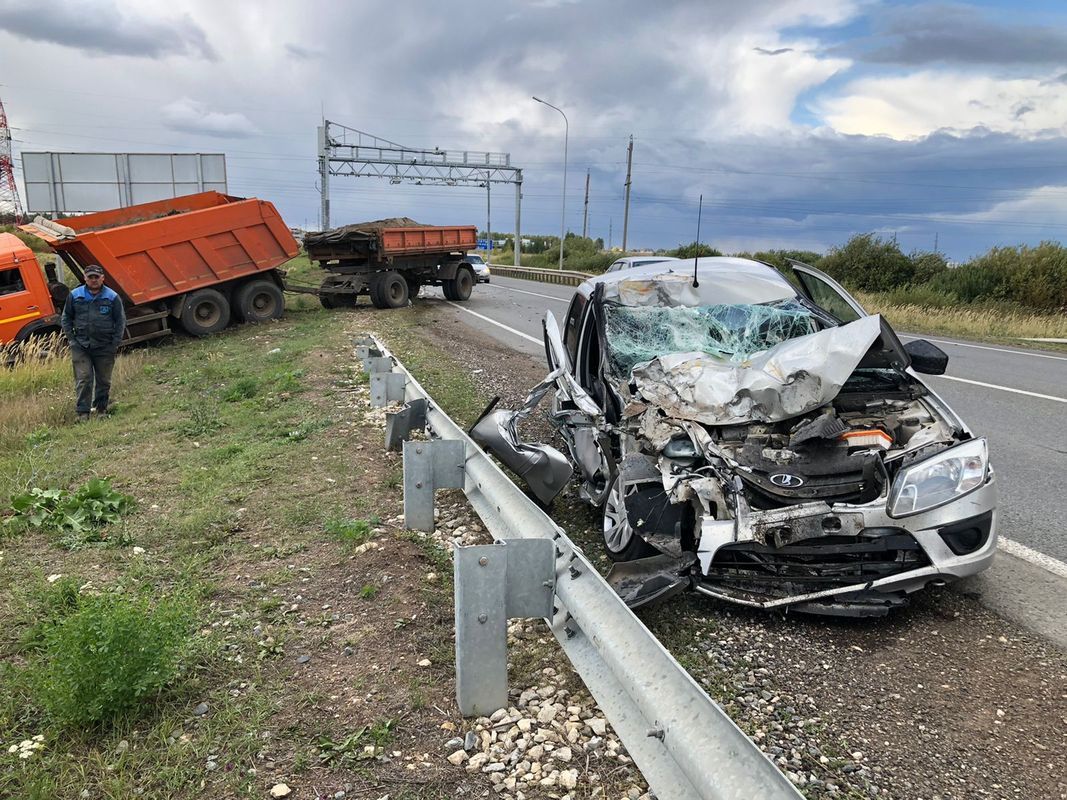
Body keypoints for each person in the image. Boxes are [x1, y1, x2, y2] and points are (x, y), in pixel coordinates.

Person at [60, 265, 126, 422]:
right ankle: (83, 413)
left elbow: (120, 321)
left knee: (104, 380)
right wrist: (71, 339)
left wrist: (115, 343)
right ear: (85, 278)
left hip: (105, 346)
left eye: (96, 277)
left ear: (102, 278)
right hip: (81, 345)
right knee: (84, 378)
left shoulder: (112, 297)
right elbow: (66, 317)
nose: (94, 280)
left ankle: (101, 409)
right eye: (90, 277)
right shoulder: (75, 295)